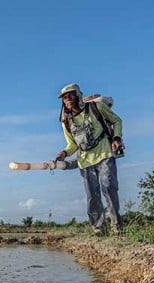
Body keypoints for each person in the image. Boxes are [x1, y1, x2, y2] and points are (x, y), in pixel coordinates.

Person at [55, 83, 124, 235]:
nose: (68, 99)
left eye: (71, 95)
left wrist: (117, 138)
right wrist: (64, 153)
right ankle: (99, 228)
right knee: (92, 195)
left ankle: (116, 226)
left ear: (78, 95)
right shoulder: (66, 121)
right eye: (65, 98)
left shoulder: (96, 107)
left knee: (108, 187)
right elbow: (72, 144)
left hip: (105, 153)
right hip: (85, 161)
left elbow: (117, 120)